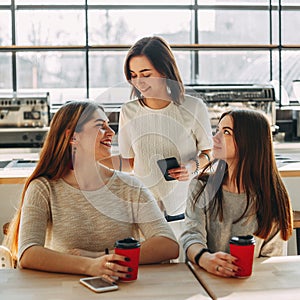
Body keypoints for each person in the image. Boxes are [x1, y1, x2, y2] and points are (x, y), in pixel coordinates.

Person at [3, 101, 179, 282]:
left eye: (108, 125)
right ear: (72, 137)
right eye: (100, 126)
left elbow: (168, 244)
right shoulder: (43, 188)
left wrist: (100, 256)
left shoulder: (130, 187)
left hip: (120, 289)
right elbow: (28, 254)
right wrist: (89, 266)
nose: (111, 132)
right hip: (63, 292)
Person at [107, 36, 213, 220]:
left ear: (164, 70)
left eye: (146, 74)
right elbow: (129, 163)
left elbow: (209, 152)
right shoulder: (128, 111)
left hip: (184, 209)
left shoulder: (193, 107)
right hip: (143, 211)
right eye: (133, 75)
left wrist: (192, 167)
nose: (139, 82)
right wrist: (88, 159)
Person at [180, 109, 293, 278]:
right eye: (217, 130)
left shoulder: (273, 197)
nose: (215, 138)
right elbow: (191, 235)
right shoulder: (201, 186)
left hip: (253, 282)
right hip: (205, 278)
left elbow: (271, 260)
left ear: (249, 142)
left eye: (226, 132)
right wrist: (205, 259)